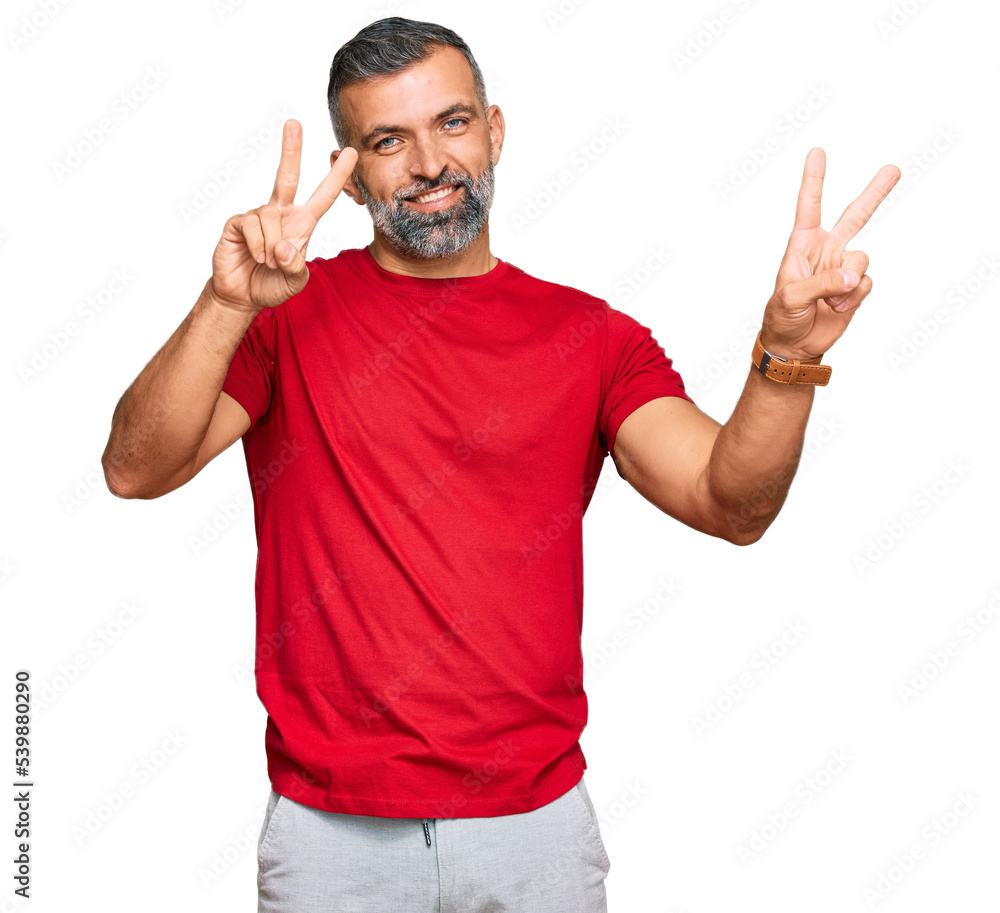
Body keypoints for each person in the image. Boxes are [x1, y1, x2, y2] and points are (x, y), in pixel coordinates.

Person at [100, 15, 899, 913]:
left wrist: (785, 352)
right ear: (352, 176)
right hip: (331, 832)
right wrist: (224, 301)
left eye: (452, 123)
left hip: (536, 829)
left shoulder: (591, 337)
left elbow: (730, 502)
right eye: (387, 140)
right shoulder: (282, 318)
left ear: (495, 131)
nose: (430, 163)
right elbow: (136, 468)